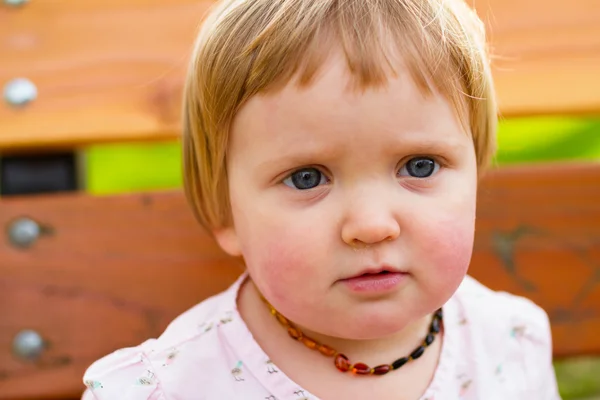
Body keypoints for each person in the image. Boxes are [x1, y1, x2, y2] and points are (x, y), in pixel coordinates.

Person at [81, 0, 561, 398]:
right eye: (308, 178)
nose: (372, 225)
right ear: (223, 211)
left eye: (420, 166)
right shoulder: (168, 388)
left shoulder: (510, 344)